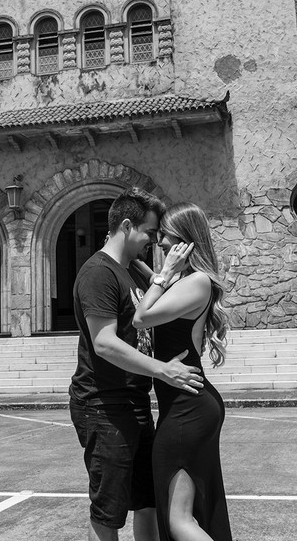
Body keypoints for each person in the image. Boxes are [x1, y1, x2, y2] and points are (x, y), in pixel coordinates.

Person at [69, 188, 205, 541]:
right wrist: (163, 370)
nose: (153, 241)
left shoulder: (130, 271)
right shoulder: (99, 273)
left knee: (147, 502)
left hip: (134, 402)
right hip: (103, 405)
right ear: (127, 226)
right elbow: (104, 343)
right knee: (109, 511)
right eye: (150, 232)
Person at [133, 202, 232, 541]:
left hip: (187, 408)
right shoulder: (188, 282)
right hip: (185, 405)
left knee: (179, 520)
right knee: (188, 512)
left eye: (166, 236)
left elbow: (142, 317)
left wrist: (161, 274)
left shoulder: (197, 282)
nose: (159, 243)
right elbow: (159, 294)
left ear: (186, 241)